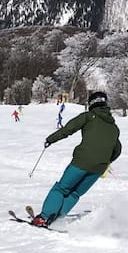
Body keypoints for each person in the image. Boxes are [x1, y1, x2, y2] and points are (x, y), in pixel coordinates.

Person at [32, 90, 122, 227]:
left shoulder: (88, 116)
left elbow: (68, 129)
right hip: (99, 168)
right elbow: (117, 150)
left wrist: (50, 139)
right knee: (75, 194)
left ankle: (45, 217)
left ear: (91, 103)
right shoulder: (114, 127)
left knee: (61, 189)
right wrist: (106, 160)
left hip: (82, 161)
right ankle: (56, 218)